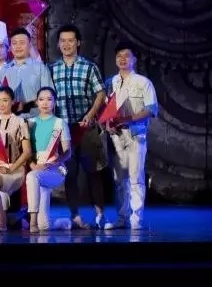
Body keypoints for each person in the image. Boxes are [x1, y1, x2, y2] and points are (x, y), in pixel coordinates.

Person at [48, 25, 108, 229]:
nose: (66, 44)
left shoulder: (89, 67)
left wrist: (90, 115)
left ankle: (100, 215)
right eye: (62, 41)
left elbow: (100, 93)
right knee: (70, 173)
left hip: (86, 127)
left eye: (70, 40)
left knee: (93, 172)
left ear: (78, 42)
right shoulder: (52, 69)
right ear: (58, 44)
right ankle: (75, 216)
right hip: (65, 129)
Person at [103, 42, 158, 231]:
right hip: (116, 136)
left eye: (127, 55)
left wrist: (128, 118)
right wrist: (107, 123)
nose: (122, 59)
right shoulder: (110, 82)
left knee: (135, 178)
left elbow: (151, 110)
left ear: (134, 59)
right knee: (119, 180)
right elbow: (107, 109)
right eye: (119, 56)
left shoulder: (143, 82)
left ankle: (136, 219)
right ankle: (121, 218)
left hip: (136, 135)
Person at [0, 86, 33, 231]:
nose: (1, 104)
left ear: (12, 101)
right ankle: (9, 220)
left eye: (5, 100)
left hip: (14, 170)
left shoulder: (20, 122)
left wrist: (11, 168)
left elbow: (27, 152)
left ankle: (0, 224)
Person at [26, 87, 72, 233]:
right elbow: (25, 151)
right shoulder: (30, 123)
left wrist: (54, 163)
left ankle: (32, 221)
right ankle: (63, 222)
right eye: (41, 99)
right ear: (36, 102)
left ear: (55, 102)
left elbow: (68, 152)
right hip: (36, 168)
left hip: (54, 170)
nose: (45, 103)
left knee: (32, 176)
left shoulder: (60, 123)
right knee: (44, 226)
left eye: (49, 99)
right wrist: (33, 165)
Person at [0, 28, 54, 115]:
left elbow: (49, 97)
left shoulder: (40, 68)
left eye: (22, 43)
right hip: (10, 119)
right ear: (10, 47)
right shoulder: (5, 70)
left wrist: (26, 105)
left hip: (34, 119)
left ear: (29, 45)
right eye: (14, 43)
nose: (18, 46)